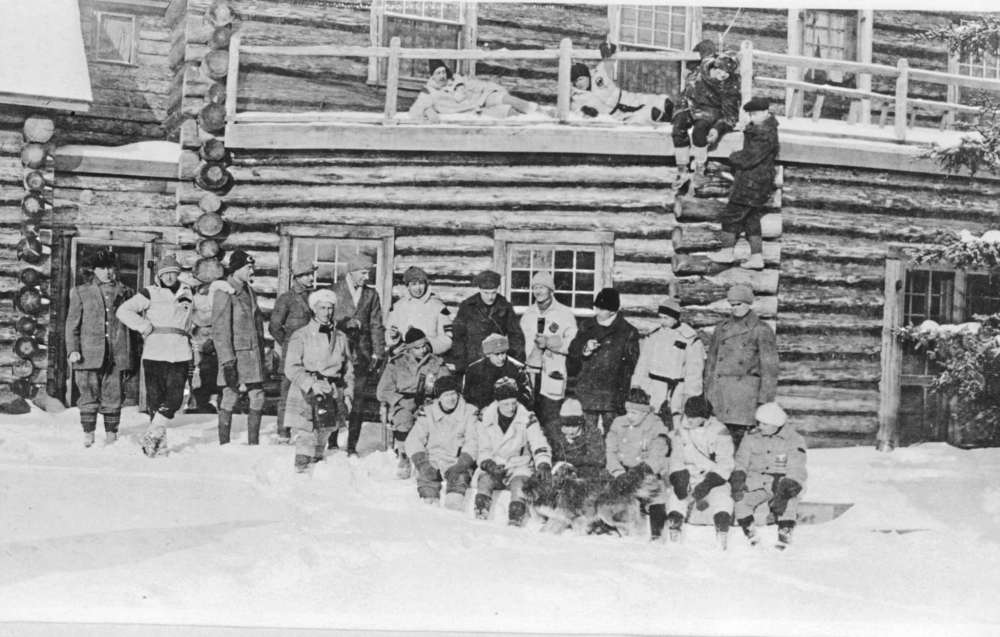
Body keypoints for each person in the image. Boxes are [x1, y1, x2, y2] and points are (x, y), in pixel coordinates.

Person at [116, 255, 194, 457]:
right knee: (156, 400)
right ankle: (159, 446)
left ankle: (151, 434)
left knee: (175, 399)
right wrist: (143, 326)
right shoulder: (149, 293)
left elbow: (196, 315)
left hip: (180, 351)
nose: (169, 277)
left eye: (173, 273)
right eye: (165, 273)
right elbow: (123, 311)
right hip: (155, 351)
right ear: (159, 275)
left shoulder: (188, 291)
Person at [65, 249, 134, 447]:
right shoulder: (81, 291)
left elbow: (131, 327)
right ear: (94, 270)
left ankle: (111, 437)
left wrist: (129, 355)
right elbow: (72, 325)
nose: (108, 272)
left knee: (113, 395)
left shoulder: (126, 292)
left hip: (116, 355)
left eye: (111, 267)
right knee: (88, 394)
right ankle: (88, 436)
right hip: (88, 355)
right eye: (102, 268)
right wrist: (73, 349)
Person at [283, 289, 354, 473]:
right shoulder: (301, 335)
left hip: (331, 389)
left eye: (330, 308)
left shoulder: (341, 337)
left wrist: (347, 393)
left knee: (325, 430)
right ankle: (300, 472)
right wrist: (310, 384)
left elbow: (348, 369)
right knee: (306, 433)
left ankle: (315, 473)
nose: (326, 312)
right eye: (322, 308)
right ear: (314, 309)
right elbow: (291, 367)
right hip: (307, 389)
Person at [703, 284, 779, 449]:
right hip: (721, 394)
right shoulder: (721, 328)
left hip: (745, 398)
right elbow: (711, 363)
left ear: (748, 303)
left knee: (742, 444)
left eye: (739, 304)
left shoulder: (761, 329)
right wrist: (708, 392)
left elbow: (770, 369)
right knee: (720, 441)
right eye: (732, 305)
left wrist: (764, 400)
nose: (735, 308)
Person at [713, 97, 780, 271]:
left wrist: (732, 157)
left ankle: (727, 252)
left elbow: (749, 158)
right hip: (758, 183)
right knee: (751, 220)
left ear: (766, 112)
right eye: (750, 114)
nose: (752, 118)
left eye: (755, 114)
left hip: (751, 183)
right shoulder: (764, 128)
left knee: (730, 215)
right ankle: (757, 258)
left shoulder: (764, 134)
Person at [473, 380, 552, 526]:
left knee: (520, 485)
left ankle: (515, 519)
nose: (510, 408)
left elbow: (538, 442)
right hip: (495, 464)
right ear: (497, 402)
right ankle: (480, 514)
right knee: (485, 481)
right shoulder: (485, 418)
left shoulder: (527, 418)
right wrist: (488, 464)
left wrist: (543, 463)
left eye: (513, 403)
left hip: (518, 465)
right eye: (505, 404)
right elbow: (482, 448)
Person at [731, 402, 807, 550]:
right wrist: (739, 477)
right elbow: (741, 460)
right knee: (741, 501)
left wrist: (785, 489)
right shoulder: (751, 437)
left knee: (789, 502)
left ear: (775, 425)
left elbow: (797, 467)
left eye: (764, 424)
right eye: (759, 422)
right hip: (758, 483)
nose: (760, 426)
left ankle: (784, 535)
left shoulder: (794, 440)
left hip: (782, 483)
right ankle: (750, 532)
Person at [376, 327, 450, 479]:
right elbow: (383, 391)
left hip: (429, 401)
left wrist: (434, 403)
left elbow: (447, 386)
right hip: (403, 402)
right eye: (417, 347)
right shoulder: (397, 364)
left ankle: (429, 459)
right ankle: (404, 456)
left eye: (424, 346)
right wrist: (400, 401)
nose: (422, 350)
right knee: (404, 419)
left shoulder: (436, 363)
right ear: (409, 348)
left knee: (432, 420)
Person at [567, 288, 640, 435]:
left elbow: (632, 365)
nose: (597, 312)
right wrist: (585, 348)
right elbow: (573, 351)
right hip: (587, 390)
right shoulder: (586, 326)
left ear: (613, 311)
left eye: (601, 309)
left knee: (613, 434)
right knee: (588, 434)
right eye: (596, 308)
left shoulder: (628, 332)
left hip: (612, 394)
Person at [665, 396, 736, 549]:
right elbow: (676, 457)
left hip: (711, 477)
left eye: (694, 417)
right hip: (689, 474)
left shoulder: (719, 431)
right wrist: (679, 477)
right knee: (677, 497)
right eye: (687, 415)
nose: (689, 420)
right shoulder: (681, 430)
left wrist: (708, 483)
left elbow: (725, 462)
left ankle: (722, 529)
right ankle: (674, 527)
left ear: (704, 417)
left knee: (722, 496)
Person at [212, 250, 267, 445]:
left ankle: (254, 443)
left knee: (258, 396)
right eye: (248, 267)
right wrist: (227, 361)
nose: (252, 271)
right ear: (236, 269)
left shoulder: (249, 291)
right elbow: (220, 329)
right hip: (236, 356)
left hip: (253, 356)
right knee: (230, 396)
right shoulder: (225, 291)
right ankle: (224, 444)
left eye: (252, 267)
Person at [333, 253, 385, 455]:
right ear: (352, 272)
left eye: (368, 273)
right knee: (336, 397)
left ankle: (352, 446)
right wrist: (345, 323)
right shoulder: (334, 291)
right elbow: (326, 321)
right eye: (364, 273)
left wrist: (378, 353)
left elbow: (376, 325)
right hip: (337, 354)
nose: (367, 277)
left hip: (362, 355)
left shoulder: (371, 295)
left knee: (358, 400)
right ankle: (331, 441)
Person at [605, 388, 672, 540]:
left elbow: (658, 453)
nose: (629, 416)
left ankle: (658, 534)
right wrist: (618, 472)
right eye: (628, 411)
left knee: (655, 495)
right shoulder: (618, 423)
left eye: (634, 413)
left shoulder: (655, 425)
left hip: (644, 473)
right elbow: (611, 451)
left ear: (645, 413)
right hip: (622, 472)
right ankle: (614, 527)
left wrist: (639, 472)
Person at [405, 375, 480, 510]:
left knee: (457, 490)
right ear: (439, 397)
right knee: (427, 490)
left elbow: (473, 440)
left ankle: (453, 509)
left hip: (457, 461)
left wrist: (462, 464)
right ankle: (429, 506)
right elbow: (414, 439)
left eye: (454, 394)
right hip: (433, 459)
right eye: (446, 395)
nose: (451, 399)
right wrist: (422, 463)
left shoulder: (469, 412)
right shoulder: (428, 412)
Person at [672, 49, 741, 191]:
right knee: (678, 126)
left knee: (700, 129)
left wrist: (717, 128)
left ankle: (699, 168)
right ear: (714, 67)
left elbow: (731, 115)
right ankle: (682, 169)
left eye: (727, 73)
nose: (723, 75)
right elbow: (704, 47)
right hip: (689, 104)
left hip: (710, 110)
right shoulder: (700, 72)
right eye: (721, 71)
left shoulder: (729, 85)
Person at [519, 271, 578, 436]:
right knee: (530, 415)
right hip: (531, 373)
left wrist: (552, 344)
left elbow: (573, 345)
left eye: (542, 287)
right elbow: (522, 342)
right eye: (535, 287)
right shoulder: (528, 314)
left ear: (551, 290)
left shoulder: (564, 314)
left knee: (551, 417)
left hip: (552, 372)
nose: (537, 292)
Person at [631, 297, 704, 427]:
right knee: (652, 420)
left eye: (666, 318)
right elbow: (643, 363)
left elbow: (694, 369)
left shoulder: (689, 338)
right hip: (654, 387)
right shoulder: (655, 336)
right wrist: (637, 384)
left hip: (677, 389)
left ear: (675, 318)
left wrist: (691, 393)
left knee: (676, 422)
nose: (662, 321)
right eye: (661, 317)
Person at [268, 257, 317, 443]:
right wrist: (290, 344)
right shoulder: (286, 299)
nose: (311, 279)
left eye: (312, 275)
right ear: (297, 277)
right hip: (292, 355)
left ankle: (305, 430)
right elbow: (274, 327)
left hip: (312, 353)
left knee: (310, 390)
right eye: (307, 275)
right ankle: (283, 433)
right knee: (286, 393)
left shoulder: (313, 298)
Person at [569, 43, 673, 125]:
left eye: (581, 79)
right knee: (649, 114)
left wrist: (607, 50)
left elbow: (608, 61)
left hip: (626, 98)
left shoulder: (598, 75)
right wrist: (586, 111)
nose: (579, 84)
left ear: (587, 76)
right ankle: (668, 124)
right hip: (616, 116)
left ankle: (673, 115)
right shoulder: (577, 97)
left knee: (663, 102)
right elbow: (575, 112)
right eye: (575, 81)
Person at [409, 59, 538, 123]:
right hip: (474, 111)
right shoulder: (428, 91)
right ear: (432, 76)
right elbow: (414, 111)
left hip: (480, 99)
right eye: (438, 73)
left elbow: (476, 85)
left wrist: (490, 90)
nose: (442, 75)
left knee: (506, 98)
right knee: (510, 112)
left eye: (443, 72)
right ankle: (535, 122)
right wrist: (427, 110)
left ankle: (539, 112)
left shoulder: (454, 80)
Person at [448, 269, 525, 374]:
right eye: (486, 293)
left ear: (498, 289)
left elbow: (516, 336)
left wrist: (513, 360)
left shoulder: (505, 306)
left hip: (497, 362)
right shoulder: (467, 307)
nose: (490, 297)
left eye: (493, 292)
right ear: (479, 289)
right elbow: (458, 337)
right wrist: (461, 363)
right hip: (473, 361)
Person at [386, 266, 452, 356]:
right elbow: (388, 332)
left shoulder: (438, 307)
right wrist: (394, 337)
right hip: (404, 358)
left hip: (429, 357)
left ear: (426, 284)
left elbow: (448, 337)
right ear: (407, 286)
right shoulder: (397, 307)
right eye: (413, 284)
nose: (418, 288)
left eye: (421, 283)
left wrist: (428, 347)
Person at [462, 334, 533, 412]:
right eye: (497, 354)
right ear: (488, 354)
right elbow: (467, 398)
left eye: (503, 353)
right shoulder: (474, 370)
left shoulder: (517, 368)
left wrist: (514, 389)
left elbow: (527, 398)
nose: (501, 358)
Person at [549, 398, 607, 481]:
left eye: (574, 426)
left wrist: (571, 464)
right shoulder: (553, 431)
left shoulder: (592, 432)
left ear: (581, 423)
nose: (570, 431)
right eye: (566, 426)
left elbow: (599, 459)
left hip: (584, 474)